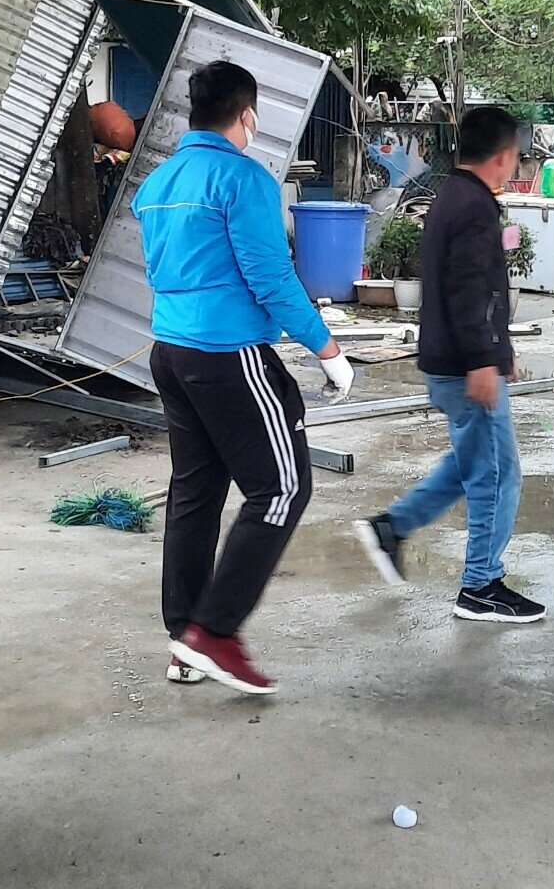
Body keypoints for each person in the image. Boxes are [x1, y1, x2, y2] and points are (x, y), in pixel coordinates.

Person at [134, 61, 354, 695]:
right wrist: (327, 348)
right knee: (283, 489)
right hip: (228, 355)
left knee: (195, 496)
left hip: (170, 354)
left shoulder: (158, 184)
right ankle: (216, 634)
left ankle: (185, 641)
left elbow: (164, 271)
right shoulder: (243, 178)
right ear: (247, 115)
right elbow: (270, 276)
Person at [353, 106, 544, 624]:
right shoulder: (475, 209)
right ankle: (481, 585)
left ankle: (391, 528)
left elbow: (477, 291)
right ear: (504, 157)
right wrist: (486, 360)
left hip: (450, 360)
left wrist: (500, 351)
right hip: (465, 366)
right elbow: (469, 292)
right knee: (497, 477)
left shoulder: (451, 199)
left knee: (469, 466)